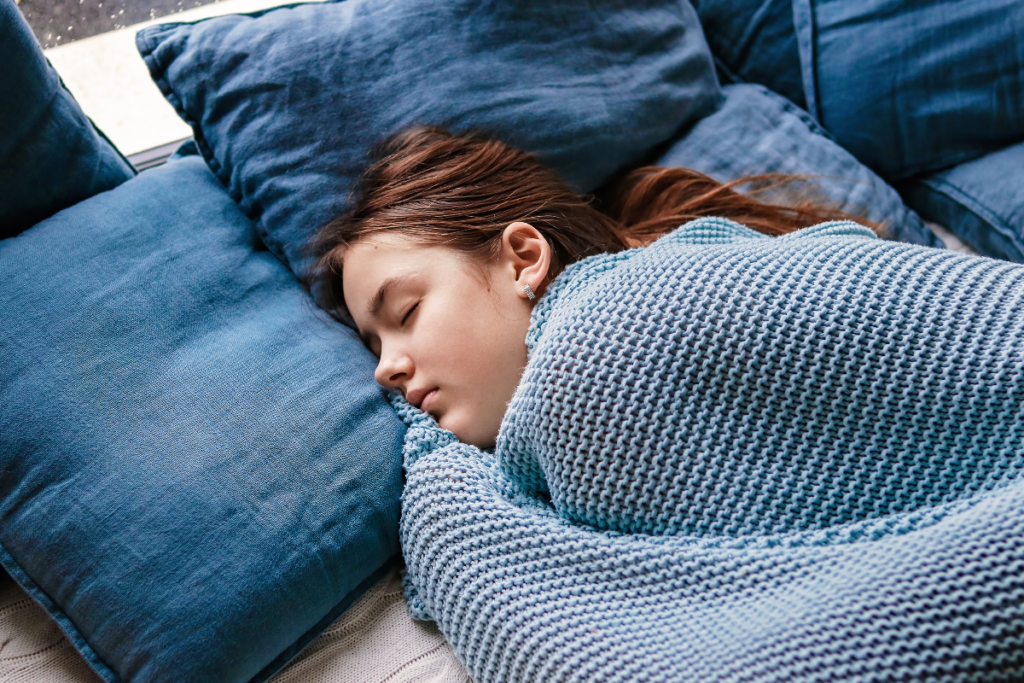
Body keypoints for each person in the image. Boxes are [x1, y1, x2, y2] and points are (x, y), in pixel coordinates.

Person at [312, 125, 870, 449]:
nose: (384, 369)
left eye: (406, 312)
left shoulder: (651, 304)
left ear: (524, 259)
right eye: (375, 345)